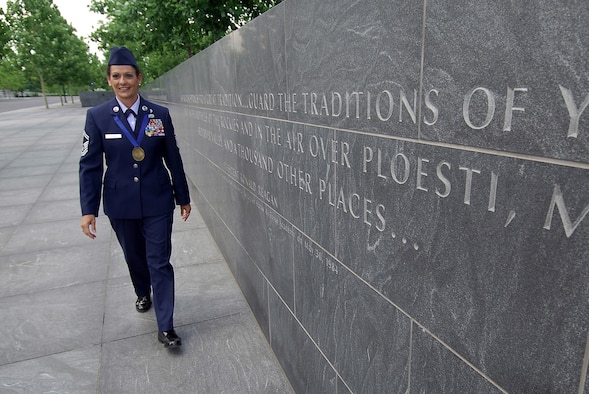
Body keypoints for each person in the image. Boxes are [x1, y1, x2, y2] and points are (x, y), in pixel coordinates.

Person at [79, 46, 191, 348]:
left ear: (139, 78)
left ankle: (166, 327)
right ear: (109, 80)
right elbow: (89, 165)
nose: (123, 81)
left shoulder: (159, 115)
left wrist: (183, 196)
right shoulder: (98, 117)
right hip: (120, 202)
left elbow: (173, 157)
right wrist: (88, 209)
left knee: (159, 261)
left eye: (128, 75)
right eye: (116, 76)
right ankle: (143, 291)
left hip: (157, 199)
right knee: (134, 257)